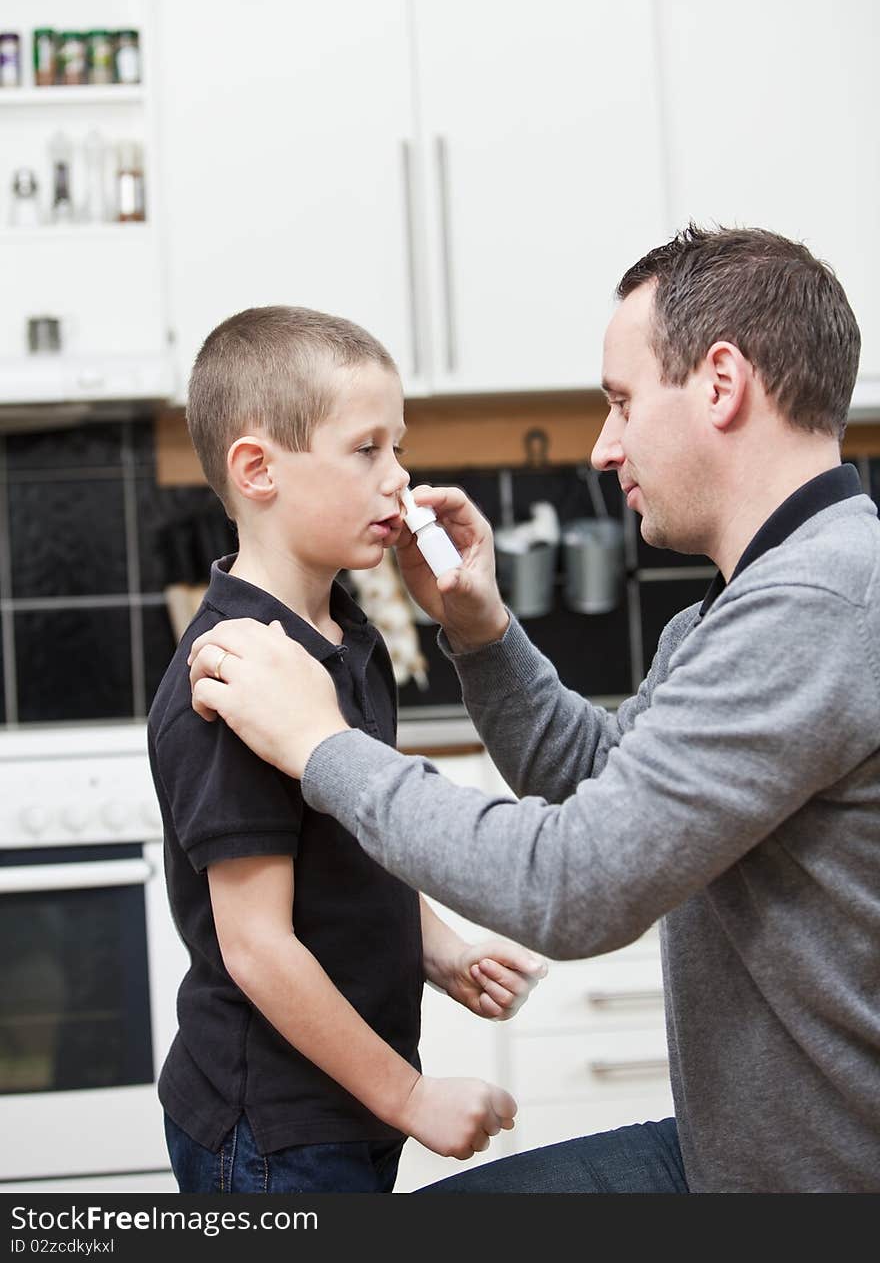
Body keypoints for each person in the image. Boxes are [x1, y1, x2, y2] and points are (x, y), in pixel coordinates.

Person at [186, 227, 880, 1194]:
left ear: (721, 384)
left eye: (622, 403)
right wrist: (481, 630)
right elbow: (610, 786)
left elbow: (577, 878)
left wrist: (322, 744)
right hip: (741, 1158)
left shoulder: (821, 608)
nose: (603, 446)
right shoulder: (746, 607)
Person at [148, 304, 547, 1195]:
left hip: (342, 1100)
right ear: (257, 469)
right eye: (367, 450)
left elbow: (352, 847)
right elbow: (257, 949)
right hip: (273, 1126)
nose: (399, 481)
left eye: (396, 448)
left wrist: (438, 948)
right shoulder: (235, 678)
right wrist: (410, 1097)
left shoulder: (344, 637)